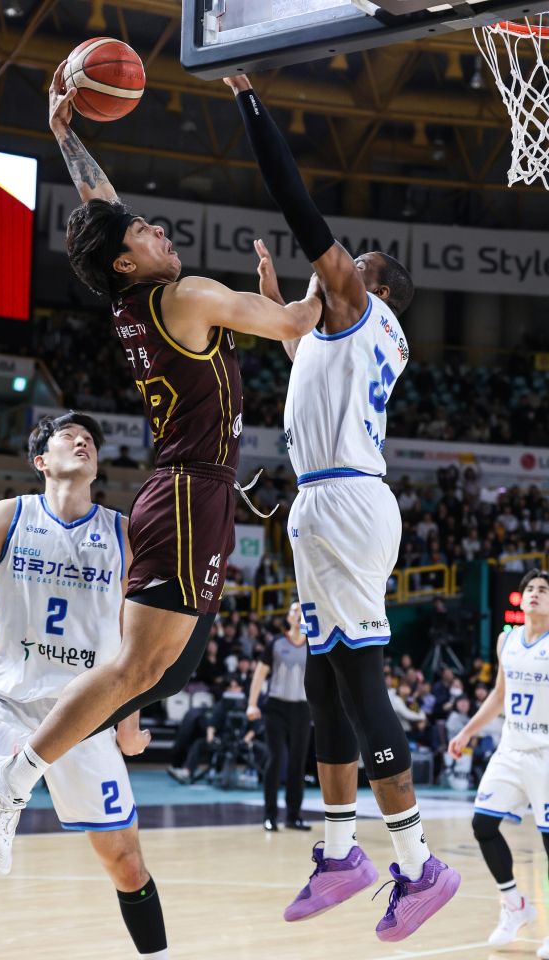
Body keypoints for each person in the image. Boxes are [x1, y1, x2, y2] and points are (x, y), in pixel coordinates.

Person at [0, 63, 321, 879]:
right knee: (137, 667)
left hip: (193, 493)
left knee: (173, 663)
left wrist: (66, 134)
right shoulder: (187, 294)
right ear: (129, 264)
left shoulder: (138, 299)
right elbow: (306, 322)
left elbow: (104, 214)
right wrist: (330, 271)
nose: (159, 230)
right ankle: (13, 779)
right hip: (186, 490)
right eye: (147, 233)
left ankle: (20, 773)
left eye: (151, 228)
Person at [224, 72, 459, 941]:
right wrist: (278, 293)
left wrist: (252, 102)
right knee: (323, 676)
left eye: (346, 265)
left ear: (375, 288)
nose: (335, 267)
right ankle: (338, 853)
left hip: (352, 504)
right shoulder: (337, 334)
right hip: (324, 506)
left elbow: (298, 203)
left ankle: (418, 864)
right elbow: (288, 330)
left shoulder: (361, 308)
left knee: (358, 679)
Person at [0, 412, 170, 960]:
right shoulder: (10, 516)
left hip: (88, 715)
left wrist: (129, 720)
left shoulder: (123, 532)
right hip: (10, 705)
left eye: (90, 440)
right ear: (40, 461)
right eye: (68, 437)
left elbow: (133, 634)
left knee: (125, 863)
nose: (83, 441)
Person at [449, 568, 549, 959]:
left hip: (545, 754)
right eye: (530, 589)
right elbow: (498, 696)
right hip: (511, 749)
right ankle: (515, 906)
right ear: (520, 598)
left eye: (543, 589)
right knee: (483, 825)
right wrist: (468, 732)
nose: (535, 594)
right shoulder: (506, 640)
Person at [247, 600, 312, 832]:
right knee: (276, 761)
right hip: (276, 708)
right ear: (288, 617)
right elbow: (259, 676)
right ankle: (270, 816)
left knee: (297, 763)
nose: (298, 614)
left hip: (302, 709)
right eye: (295, 611)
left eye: (303, 612)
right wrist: (252, 704)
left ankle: (293, 816)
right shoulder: (275, 643)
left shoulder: (314, 646)